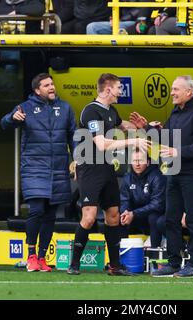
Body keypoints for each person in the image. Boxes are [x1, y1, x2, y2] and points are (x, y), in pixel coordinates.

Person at [130, 75, 193, 278]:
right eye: (172, 89)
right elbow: (164, 138)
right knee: (170, 218)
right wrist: (147, 128)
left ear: (189, 92)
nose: (172, 93)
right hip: (173, 172)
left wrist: (178, 152)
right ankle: (174, 263)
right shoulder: (175, 113)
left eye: (176, 89)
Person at [67, 73, 150, 276]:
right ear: (107, 89)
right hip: (89, 168)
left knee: (113, 216)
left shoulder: (111, 110)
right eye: (119, 88)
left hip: (107, 169)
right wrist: (133, 141)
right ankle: (74, 264)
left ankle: (115, 266)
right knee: (89, 217)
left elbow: (122, 126)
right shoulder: (90, 111)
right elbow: (102, 143)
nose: (121, 92)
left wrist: (141, 127)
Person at [1, 73, 77, 272]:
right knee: (36, 210)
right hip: (34, 168)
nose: (52, 87)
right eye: (46, 85)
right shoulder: (25, 108)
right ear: (37, 90)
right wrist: (11, 117)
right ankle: (31, 255)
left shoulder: (66, 107)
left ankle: (42, 257)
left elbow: (73, 136)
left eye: (52, 84)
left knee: (51, 214)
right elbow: (4, 123)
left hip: (58, 168)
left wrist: (77, 158)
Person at [119, 148, 166, 248]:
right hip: (136, 215)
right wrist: (125, 213)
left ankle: (154, 253)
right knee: (121, 217)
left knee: (154, 217)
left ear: (148, 162)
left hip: (153, 214)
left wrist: (134, 213)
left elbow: (157, 204)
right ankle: (122, 253)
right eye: (135, 161)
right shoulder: (127, 178)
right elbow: (124, 201)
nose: (137, 164)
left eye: (140, 160)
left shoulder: (157, 176)